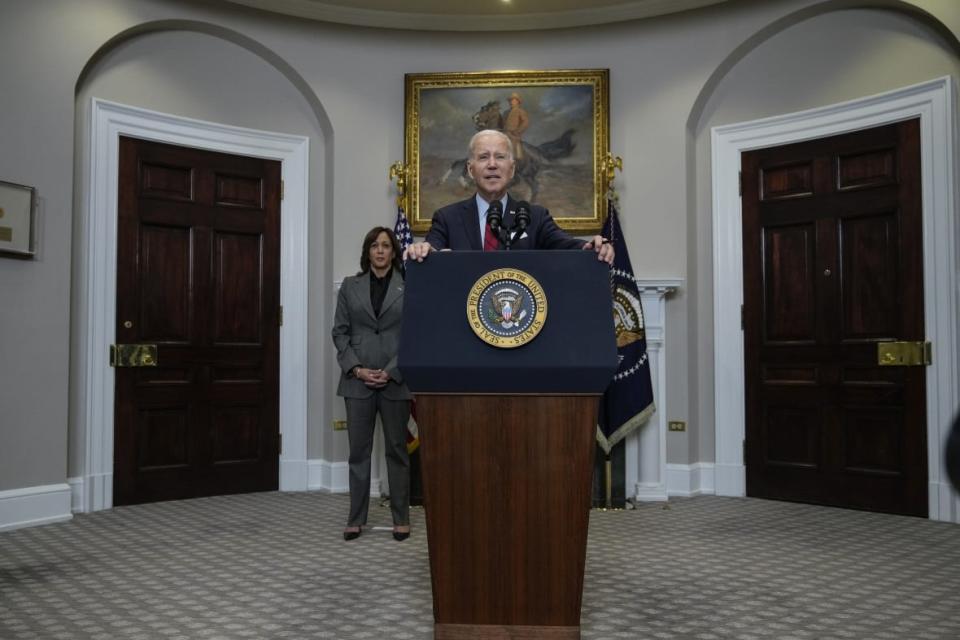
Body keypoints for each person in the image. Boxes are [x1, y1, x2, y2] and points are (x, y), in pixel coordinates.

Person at [403, 129, 614, 264]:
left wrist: (591, 247)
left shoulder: (535, 217)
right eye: (483, 157)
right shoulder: (447, 218)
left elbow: (566, 245)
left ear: (512, 169)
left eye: (500, 157)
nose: (492, 164)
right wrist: (423, 250)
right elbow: (432, 248)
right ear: (470, 169)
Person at [332, 227, 412, 542]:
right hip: (357, 383)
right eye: (374, 246)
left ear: (394, 252)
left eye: (386, 246)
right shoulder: (350, 287)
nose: (380, 251)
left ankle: (401, 519)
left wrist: (390, 371)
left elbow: (414, 334)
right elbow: (339, 333)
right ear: (368, 252)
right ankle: (355, 519)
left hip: (396, 381)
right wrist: (358, 369)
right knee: (358, 452)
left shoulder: (409, 286)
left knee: (396, 451)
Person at [503, 92, 529, 160]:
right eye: (510, 100)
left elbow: (525, 122)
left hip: (514, 135)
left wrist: (517, 131)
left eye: (513, 100)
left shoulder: (520, 111)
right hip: (505, 134)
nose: (511, 102)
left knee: (512, 152)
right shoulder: (506, 112)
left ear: (518, 102)